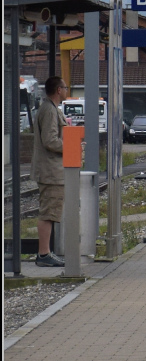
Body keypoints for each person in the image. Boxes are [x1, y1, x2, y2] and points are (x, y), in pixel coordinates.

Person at [32, 75, 68, 268]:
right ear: (58, 90)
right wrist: (71, 146)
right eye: (65, 87)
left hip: (53, 170)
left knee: (51, 211)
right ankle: (44, 254)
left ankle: (46, 252)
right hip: (50, 170)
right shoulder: (49, 111)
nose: (66, 90)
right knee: (48, 212)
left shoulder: (51, 109)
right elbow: (50, 140)